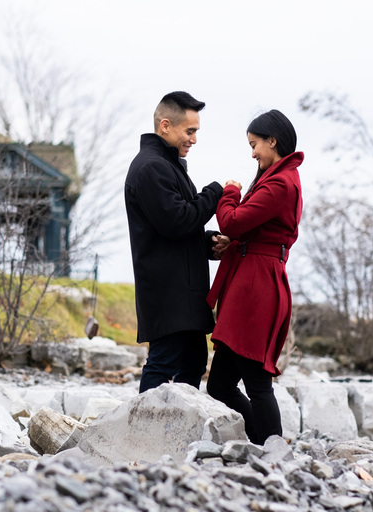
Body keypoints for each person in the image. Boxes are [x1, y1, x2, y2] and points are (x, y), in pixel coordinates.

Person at [205, 109, 303, 444]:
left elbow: (232, 221)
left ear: (272, 141)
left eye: (255, 144)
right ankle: (265, 441)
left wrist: (229, 193)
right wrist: (235, 240)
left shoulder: (280, 183)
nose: (252, 153)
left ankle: (272, 449)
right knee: (219, 385)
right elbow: (247, 229)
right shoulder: (277, 178)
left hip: (256, 287)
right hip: (251, 279)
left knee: (257, 383)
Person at [125, 91, 229, 393]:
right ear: (166, 126)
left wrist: (211, 242)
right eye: (190, 131)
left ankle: (180, 431)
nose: (194, 139)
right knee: (163, 362)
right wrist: (215, 192)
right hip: (168, 293)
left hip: (183, 293)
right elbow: (177, 221)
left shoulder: (167, 165)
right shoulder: (150, 167)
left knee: (194, 362)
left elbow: (179, 226)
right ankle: (144, 432)